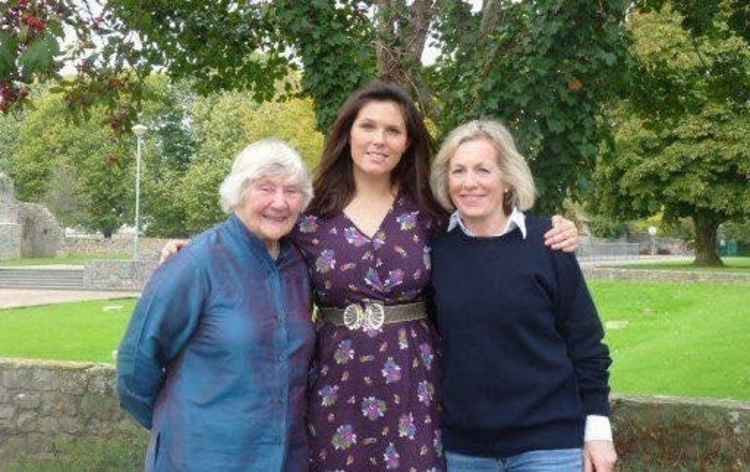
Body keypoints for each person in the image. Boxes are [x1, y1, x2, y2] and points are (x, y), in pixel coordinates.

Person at [159, 81, 581, 471]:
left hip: (417, 386)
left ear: (407, 141)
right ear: (348, 133)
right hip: (333, 386)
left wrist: (554, 229)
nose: (379, 140)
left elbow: (490, 229)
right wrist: (193, 249)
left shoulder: (432, 212)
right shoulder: (309, 215)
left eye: (393, 130)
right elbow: (254, 244)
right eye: (369, 127)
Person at [428, 119, 617, 472]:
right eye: (458, 171)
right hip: (465, 451)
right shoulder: (435, 252)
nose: (469, 183)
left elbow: (586, 343)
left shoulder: (549, 242)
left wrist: (598, 429)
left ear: (507, 179)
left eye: (483, 170)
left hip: (549, 447)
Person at [117, 139, 316, 472]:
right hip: (202, 457)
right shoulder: (194, 264)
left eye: (292, 191)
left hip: (284, 458)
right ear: (238, 192)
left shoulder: (298, 264)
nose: (280, 202)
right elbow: (136, 363)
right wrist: (180, 424)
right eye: (265, 188)